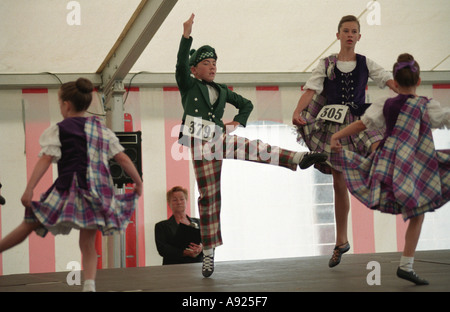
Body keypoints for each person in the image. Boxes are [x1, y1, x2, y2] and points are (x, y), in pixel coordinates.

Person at [177, 14, 327, 277]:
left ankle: (298, 158)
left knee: (254, 147)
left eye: (214, 63)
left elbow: (246, 104)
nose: (212, 67)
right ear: (194, 69)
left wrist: (235, 123)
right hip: (199, 140)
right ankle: (209, 254)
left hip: (218, 137)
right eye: (206, 63)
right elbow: (179, 64)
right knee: (209, 197)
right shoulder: (188, 85)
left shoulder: (222, 90)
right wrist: (186, 36)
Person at [0, 78, 143, 292]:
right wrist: (138, 182)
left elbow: (46, 159)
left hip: (69, 189)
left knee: (29, 223)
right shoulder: (101, 129)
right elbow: (122, 157)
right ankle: (89, 285)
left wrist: (29, 189)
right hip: (97, 193)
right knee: (87, 242)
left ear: (66, 104)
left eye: (59, 104)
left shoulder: (60, 129)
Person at [330, 53, 450, 285]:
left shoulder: (385, 103)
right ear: (418, 80)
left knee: (406, 202)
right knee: (418, 211)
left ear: (394, 80)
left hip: (391, 162)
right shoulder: (426, 105)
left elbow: (362, 123)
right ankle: (406, 264)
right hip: (417, 164)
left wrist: (337, 134)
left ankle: (406, 264)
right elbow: (445, 118)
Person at [292, 15, 397, 268]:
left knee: (376, 145)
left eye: (354, 31)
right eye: (346, 31)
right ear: (337, 35)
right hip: (334, 124)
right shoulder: (326, 64)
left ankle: (387, 180)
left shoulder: (365, 63)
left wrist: (405, 92)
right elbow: (312, 89)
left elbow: (386, 78)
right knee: (338, 183)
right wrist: (297, 112)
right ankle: (341, 240)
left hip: (359, 118)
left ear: (359, 36)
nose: (350, 35)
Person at [155, 186, 203, 265]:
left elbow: (210, 244)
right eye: (174, 200)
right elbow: (162, 249)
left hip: (197, 266)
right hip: (173, 268)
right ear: (169, 203)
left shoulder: (199, 222)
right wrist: (185, 252)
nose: (179, 202)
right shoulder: (161, 226)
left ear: (186, 201)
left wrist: (201, 248)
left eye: (182, 199)